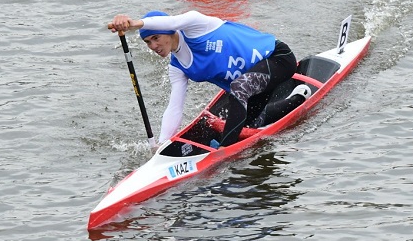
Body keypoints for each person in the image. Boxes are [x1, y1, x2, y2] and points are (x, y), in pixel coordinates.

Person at [108, 10, 311, 148]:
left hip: (277, 58)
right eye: (147, 42)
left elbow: (173, 21)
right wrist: (161, 144)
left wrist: (134, 23)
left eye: (156, 38)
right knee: (250, 123)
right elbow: (175, 108)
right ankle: (297, 98)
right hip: (252, 85)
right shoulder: (177, 68)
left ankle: (224, 151)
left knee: (239, 88)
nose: (153, 46)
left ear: (169, 32)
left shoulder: (197, 25)